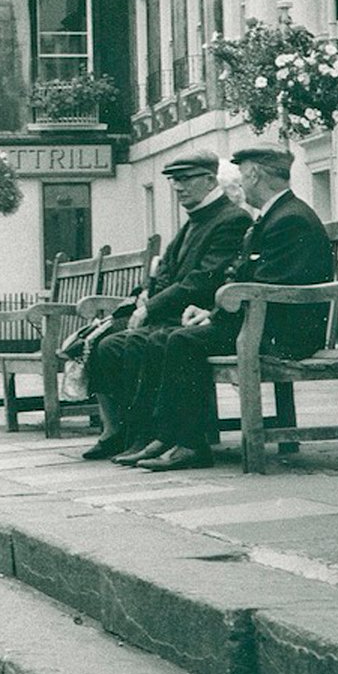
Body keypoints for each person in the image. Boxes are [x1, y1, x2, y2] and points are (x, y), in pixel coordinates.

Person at [119, 144, 334, 472]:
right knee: (175, 337)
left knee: (181, 340)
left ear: (254, 174)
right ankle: (169, 436)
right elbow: (256, 284)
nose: (237, 184)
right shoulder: (277, 216)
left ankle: (189, 444)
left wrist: (217, 316)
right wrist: (211, 315)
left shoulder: (290, 220)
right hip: (265, 323)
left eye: (241, 176)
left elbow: (267, 286)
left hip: (283, 336)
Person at [81, 150, 252, 459]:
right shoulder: (195, 219)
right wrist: (148, 293)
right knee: (109, 344)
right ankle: (128, 433)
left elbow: (202, 279)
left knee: (139, 341)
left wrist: (152, 307)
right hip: (176, 314)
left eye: (186, 180)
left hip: (194, 316)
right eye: (175, 182)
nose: (178, 188)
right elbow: (167, 270)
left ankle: (156, 435)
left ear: (210, 180)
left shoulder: (231, 218)